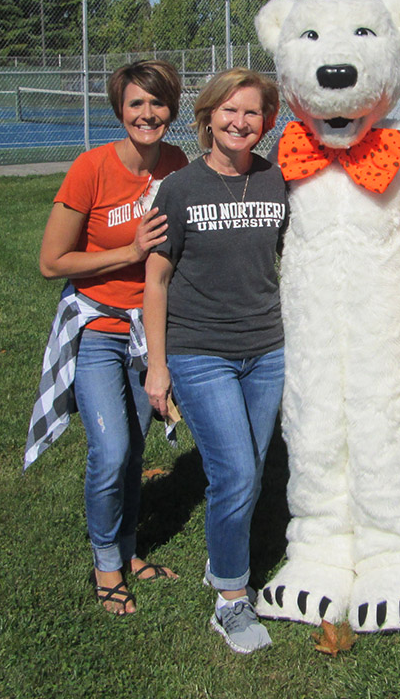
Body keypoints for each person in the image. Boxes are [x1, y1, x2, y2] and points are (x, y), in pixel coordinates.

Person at [34, 60, 188, 615]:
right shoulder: (91, 168)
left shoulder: (175, 163)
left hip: (148, 327)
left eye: (158, 103)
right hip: (98, 326)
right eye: (136, 104)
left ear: (172, 107)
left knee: (134, 451)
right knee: (112, 449)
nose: (147, 114)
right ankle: (106, 565)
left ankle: (128, 548)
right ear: (119, 110)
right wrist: (129, 251)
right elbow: (52, 261)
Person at [142, 68, 286, 654]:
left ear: (266, 121)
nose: (240, 122)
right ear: (207, 117)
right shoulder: (179, 188)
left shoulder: (277, 180)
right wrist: (158, 366)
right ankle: (231, 598)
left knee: (246, 468)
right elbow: (156, 281)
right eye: (229, 111)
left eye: (252, 113)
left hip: (268, 351)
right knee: (237, 474)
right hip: (201, 352)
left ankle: (219, 559)